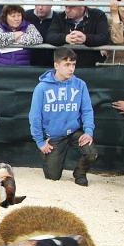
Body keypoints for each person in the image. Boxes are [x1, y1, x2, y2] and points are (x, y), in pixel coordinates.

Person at [28, 47, 97, 186]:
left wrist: (88, 131)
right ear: (56, 65)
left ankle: (80, 173)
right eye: (67, 64)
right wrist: (40, 142)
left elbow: (87, 111)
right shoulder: (42, 88)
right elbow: (35, 116)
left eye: (73, 65)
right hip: (53, 135)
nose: (71, 69)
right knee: (52, 177)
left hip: (74, 131)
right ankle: (49, 158)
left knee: (91, 153)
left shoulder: (80, 85)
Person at [46, 0, 109, 68]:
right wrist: (65, 38)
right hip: (65, 66)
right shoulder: (60, 17)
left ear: (82, 5)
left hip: (91, 66)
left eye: (72, 6)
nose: (67, 10)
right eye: (66, 6)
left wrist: (86, 38)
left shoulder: (98, 15)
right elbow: (49, 36)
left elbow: (104, 37)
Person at [25, 0, 55, 67]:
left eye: (44, 4)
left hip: (50, 64)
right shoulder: (26, 16)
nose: (40, 7)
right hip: (27, 62)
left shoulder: (57, 18)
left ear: (51, 4)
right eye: (37, 3)